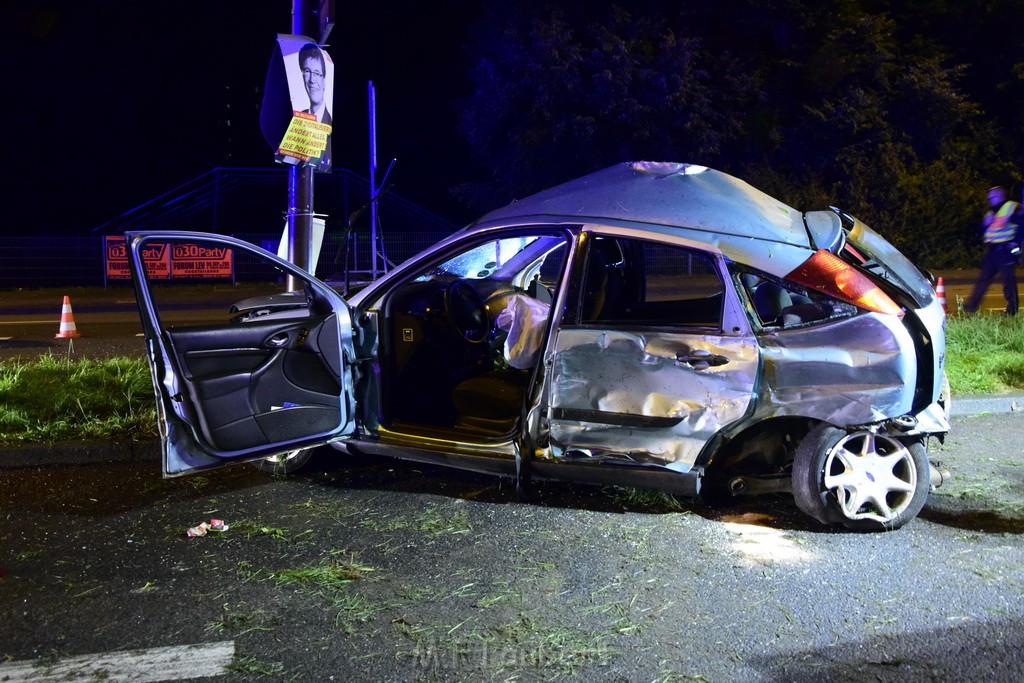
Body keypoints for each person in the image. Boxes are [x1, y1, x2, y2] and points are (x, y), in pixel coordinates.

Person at [964, 186, 1020, 316]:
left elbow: (1022, 225)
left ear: (1000, 196)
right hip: (992, 251)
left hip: (1005, 250)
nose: (989, 200)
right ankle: (971, 307)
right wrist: (984, 224)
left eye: (992, 197)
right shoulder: (991, 213)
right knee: (983, 280)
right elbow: (981, 231)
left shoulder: (1011, 207)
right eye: (989, 198)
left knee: (1008, 282)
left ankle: (1012, 310)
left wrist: (1015, 242)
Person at [298, 43, 331, 124]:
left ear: (324, 80)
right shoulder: (298, 118)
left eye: (317, 73)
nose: (312, 80)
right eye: (307, 71)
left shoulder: (332, 121)